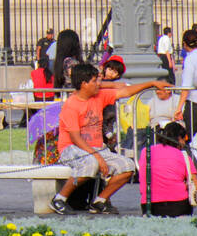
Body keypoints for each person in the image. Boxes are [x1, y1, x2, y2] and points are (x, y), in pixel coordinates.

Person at [49, 63, 165, 215]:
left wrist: (151, 83)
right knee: (90, 164)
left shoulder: (99, 96)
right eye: (95, 81)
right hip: (72, 148)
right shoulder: (71, 105)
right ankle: (59, 199)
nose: (99, 84)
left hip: (96, 148)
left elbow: (125, 92)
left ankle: (99, 201)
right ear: (84, 84)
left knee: (128, 166)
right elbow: (75, 138)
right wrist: (97, 156)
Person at [139, 121, 197, 217]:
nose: (184, 143)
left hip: (149, 205)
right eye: (184, 140)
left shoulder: (145, 152)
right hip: (177, 205)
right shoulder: (184, 157)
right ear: (179, 138)